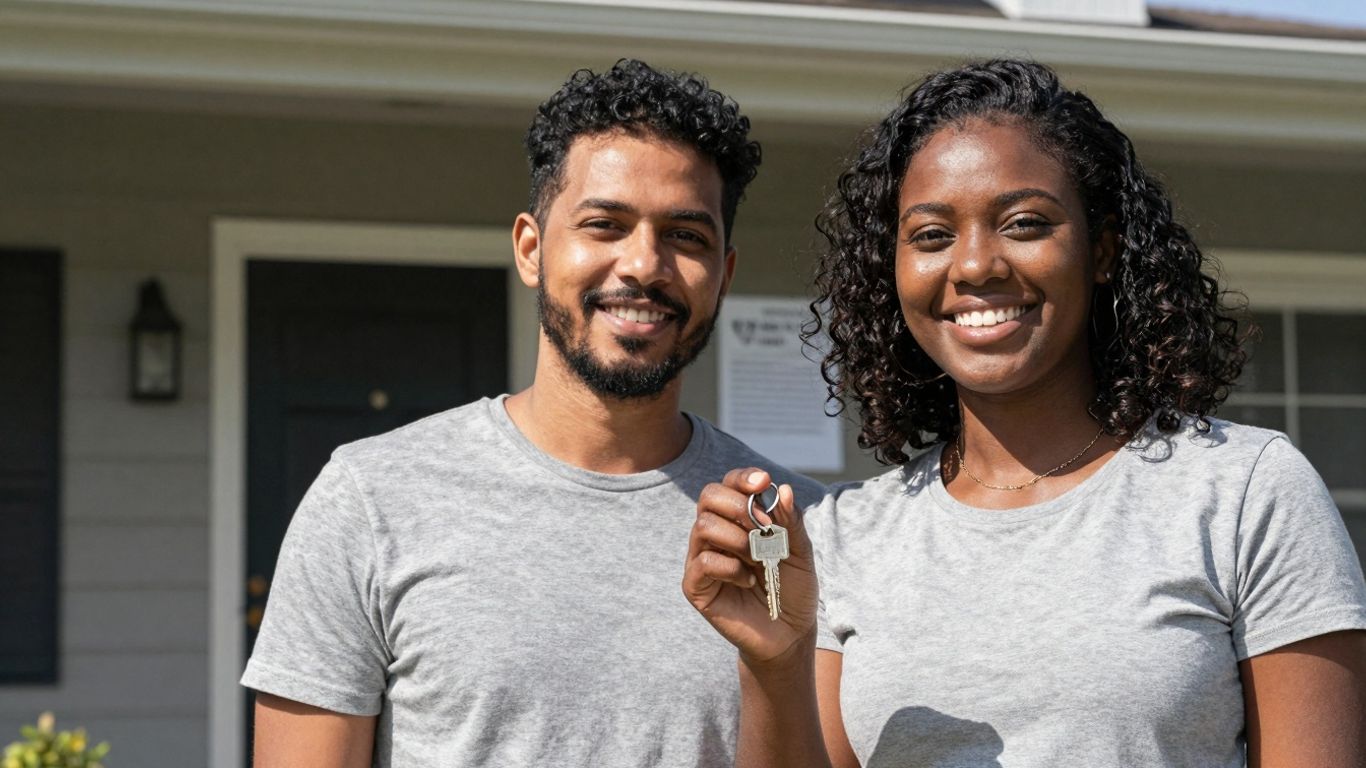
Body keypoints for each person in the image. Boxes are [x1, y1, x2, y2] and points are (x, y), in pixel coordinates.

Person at [684, 59, 1366, 767]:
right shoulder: (843, 537)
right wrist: (776, 660)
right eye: (930, 235)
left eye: (1025, 223)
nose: (975, 265)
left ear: (1101, 250)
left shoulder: (1244, 492)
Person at [242, 59, 823, 767]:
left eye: (686, 236)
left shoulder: (791, 531)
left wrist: (779, 661)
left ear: (722, 276)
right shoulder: (372, 500)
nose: (644, 264)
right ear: (531, 248)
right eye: (605, 224)